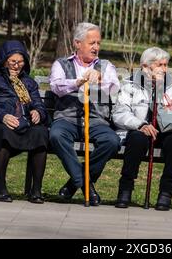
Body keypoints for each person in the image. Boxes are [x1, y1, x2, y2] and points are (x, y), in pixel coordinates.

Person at [112, 47, 172, 211]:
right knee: (137, 139)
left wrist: (171, 108)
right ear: (145, 66)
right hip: (140, 130)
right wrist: (140, 125)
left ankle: (166, 192)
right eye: (160, 65)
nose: (164, 69)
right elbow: (120, 114)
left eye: (166, 65)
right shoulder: (130, 85)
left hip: (166, 132)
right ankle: (125, 189)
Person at [49, 22, 121, 206]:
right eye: (92, 43)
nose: (96, 47)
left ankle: (74, 184)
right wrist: (78, 82)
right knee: (56, 135)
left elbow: (114, 87)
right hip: (67, 118)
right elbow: (56, 86)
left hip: (96, 120)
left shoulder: (106, 66)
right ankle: (86, 185)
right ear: (77, 43)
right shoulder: (61, 64)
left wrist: (101, 78)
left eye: (98, 43)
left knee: (112, 142)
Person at [0, 40, 48, 204]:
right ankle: (0, 188)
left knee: (41, 133)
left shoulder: (29, 82)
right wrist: (3, 116)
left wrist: (38, 112)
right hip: (0, 124)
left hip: (24, 125)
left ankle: (36, 190)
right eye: (13, 62)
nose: (17, 66)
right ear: (4, 60)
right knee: (3, 132)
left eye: (21, 62)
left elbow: (38, 103)